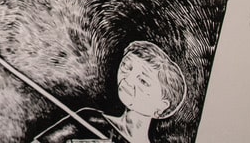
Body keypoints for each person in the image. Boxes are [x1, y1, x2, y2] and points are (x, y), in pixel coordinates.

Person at [32, 41, 187, 143]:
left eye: (143, 81)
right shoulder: (90, 121)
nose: (127, 80)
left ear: (161, 107)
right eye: (126, 68)